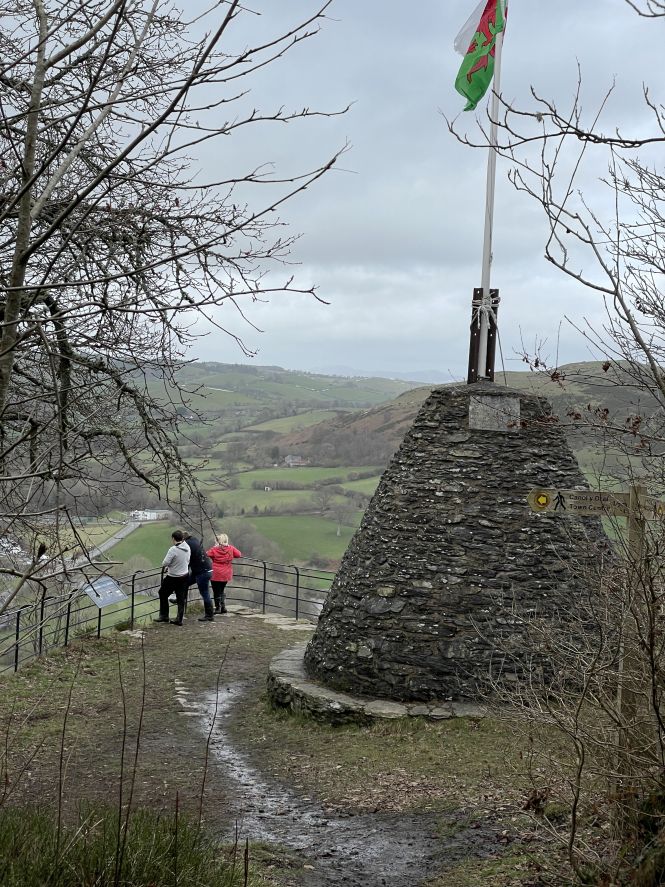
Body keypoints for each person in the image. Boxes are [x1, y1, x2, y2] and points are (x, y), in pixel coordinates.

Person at [155, 529, 191, 626]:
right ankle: (179, 619)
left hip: (173, 577)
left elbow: (165, 563)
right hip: (184, 575)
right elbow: (187, 560)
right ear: (182, 538)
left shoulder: (173, 549)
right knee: (180, 597)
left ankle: (164, 616)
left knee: (162, 593)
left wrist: (170, 566)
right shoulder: (187, 547)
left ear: (173, 539)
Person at [206, 533, 242, 614]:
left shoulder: (214, 549)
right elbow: (239, 554)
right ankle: (223, 607)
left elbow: (206, 554)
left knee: (216, 591)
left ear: (218, 541)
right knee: (222, 590)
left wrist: (214, 548)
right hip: (226, 573)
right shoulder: (230, 548)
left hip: (216, 573)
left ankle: (218, 608)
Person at [183, 531, 214, 622]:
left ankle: (209, 615)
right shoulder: (195, 540)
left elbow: (187, 559)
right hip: (205, 569)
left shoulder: (187, 544)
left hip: (202, 572)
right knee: (185, 582)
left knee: (205, 593)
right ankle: (179, 598)